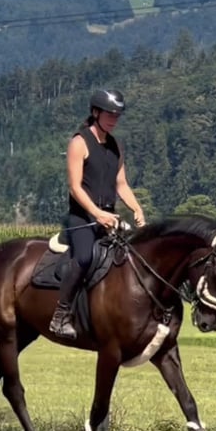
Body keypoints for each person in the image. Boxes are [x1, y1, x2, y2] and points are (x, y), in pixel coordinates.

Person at [49, 89, 146, 340]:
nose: (114, 120)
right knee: (83, 257)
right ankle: (61, 315)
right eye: (110, 114)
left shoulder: (116, 146)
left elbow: (121, 184)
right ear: (95, 112)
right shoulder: (79, 142)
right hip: (82, 217)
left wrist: (136, 208)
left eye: (117, 116)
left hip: (109, 218)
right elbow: (75, 186)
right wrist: (96, 213)